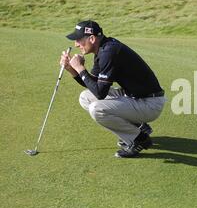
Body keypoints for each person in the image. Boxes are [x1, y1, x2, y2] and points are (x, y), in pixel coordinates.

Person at [61, 20, 166, 158]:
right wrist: (72, 70)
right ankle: (138, 125)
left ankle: (139, 139)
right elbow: (94, 85)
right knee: (85, 97)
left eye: (79, 40)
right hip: (135, 97)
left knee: (96, 108)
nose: (76, 44)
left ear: (92, 39)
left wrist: (80, 68)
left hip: (149, 104)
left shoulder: (109, 53)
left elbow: (100, 93)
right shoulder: (103, 49)